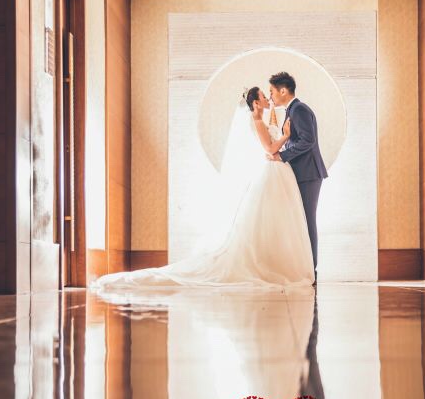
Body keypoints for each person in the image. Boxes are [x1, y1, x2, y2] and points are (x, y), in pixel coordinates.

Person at [91, 86, 315, 290]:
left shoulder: (262, 119)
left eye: (269, 94)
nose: (268, 98)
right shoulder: (256, 120)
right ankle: (270, 265)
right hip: (272, 169)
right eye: (264, 96)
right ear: (256, 103)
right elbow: (269, 149)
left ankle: (274, 262)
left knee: (273, 222)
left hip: (276, 172)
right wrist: (286, 135)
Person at [267, 72, 328, 283]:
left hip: (308, 173)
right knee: (301, 220)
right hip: (302, 172)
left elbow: (307, 141)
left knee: (307, 220)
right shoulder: (292, 110)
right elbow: (297, 140)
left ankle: (311, 270)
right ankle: (305, 268)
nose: (271, 96)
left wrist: (282, 156)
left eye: (272, 91)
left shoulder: (299, 109)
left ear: (283, 90)